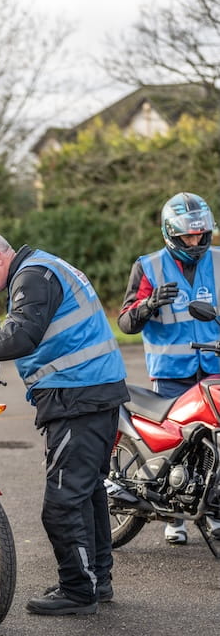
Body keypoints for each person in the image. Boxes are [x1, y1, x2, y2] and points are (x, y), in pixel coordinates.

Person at [0, 231, 129, 616]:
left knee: (62, 503)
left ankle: (78, 591)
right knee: (87, 494)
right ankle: (95, 581)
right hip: (94, 393)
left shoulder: (33, 276)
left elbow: (20, 337)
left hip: (79, 397)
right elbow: (28, 330)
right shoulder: (45, 268)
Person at [118, 191, 220, 545]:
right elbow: (126, 322)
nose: (196, 242)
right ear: (171, 234)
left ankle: (213, 511)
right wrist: (148, 304)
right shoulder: (148, 266)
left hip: (214, 367)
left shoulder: (219, 261)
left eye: (201, 234)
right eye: (188, 236)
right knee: (179, 446)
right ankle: (174, 519)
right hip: (172, 371)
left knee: (215, 446)